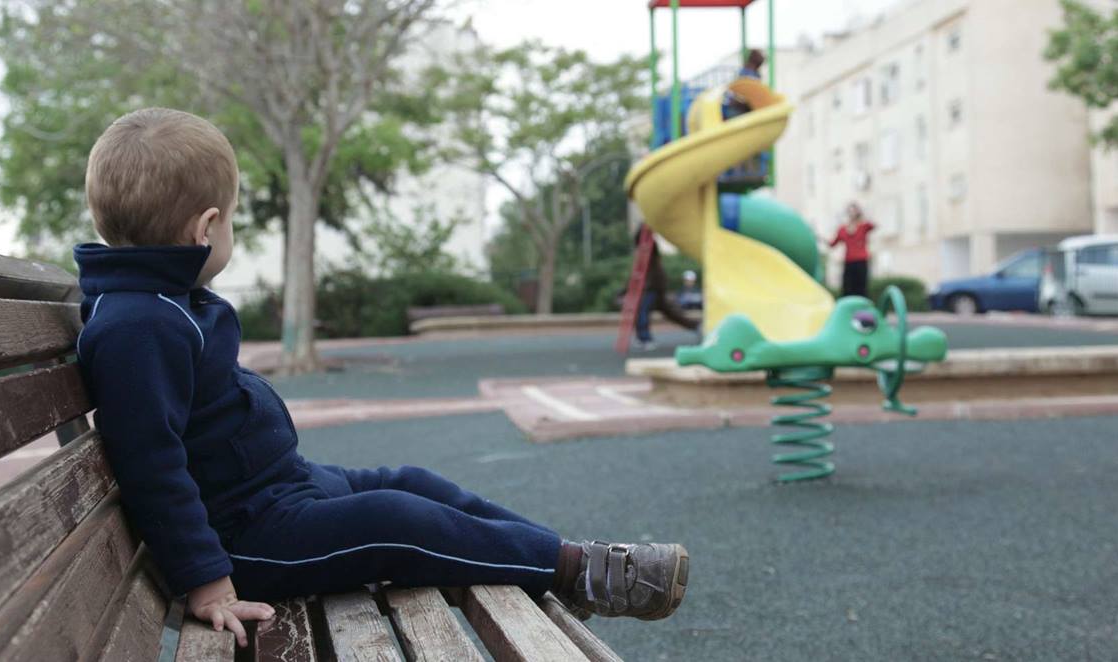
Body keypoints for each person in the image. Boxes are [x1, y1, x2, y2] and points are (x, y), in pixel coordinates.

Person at [74, 108, 689, 647]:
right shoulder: (139, 325)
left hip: (280, 493)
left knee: (409, 481)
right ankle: (573, 569)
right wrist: (207, 580)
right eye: (233, 221)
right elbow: (150, 465)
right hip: (242, 541)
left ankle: (566, 562)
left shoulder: (163, 303)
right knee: (393, 519)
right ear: (204, 229)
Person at [633, 226, 701, 350]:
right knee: (669, 313)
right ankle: (697, 327)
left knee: (642, 310)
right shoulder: (643, 255)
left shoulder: (650, 254)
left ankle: (645, 338)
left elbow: (643, 240)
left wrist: (647, 224)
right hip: (654, 288)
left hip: (653, 289)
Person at [829, 203, 876, 298]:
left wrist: (862, 214)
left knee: (861, 287)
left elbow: (873, 225)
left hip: (862, 261)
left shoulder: (864, 226)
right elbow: (832, 244)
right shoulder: (842, 229)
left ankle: (862, 309)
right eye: (850, 210)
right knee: (847, 288)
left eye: (854, 210)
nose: (852, 212)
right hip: (849, 262)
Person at [722, 48, 781, 119]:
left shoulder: (744, 73)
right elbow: (745, 99)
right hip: (734, 110)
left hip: (732, 108)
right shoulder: (749, 76)